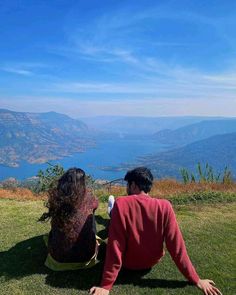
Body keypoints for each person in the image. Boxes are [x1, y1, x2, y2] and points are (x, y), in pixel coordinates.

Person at [90, 167, 222, 295]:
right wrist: (196, 279)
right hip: (150, 262)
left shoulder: (122, 203)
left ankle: (110, 209)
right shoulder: (165, 206)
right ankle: (110, 212)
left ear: (134, 185)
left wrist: (106, 285)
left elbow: (116, 247)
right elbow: (177, 246)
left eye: (128, 185)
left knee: (106, 237)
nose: (127, 189)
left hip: (128, 264)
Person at [39, 167, 100, 270]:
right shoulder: (89, 198)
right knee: (91, 217)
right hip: (85, 256)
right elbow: (96, 205)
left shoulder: (56, 198)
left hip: (59, 257)